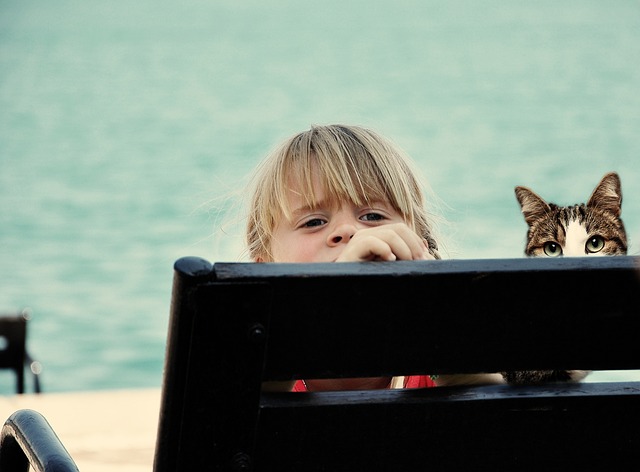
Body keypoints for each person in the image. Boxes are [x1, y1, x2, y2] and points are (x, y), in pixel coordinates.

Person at [244, 124, 502, 391]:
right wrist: (327, 302)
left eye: (373, 216)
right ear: (264, 269)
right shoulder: (267, 376)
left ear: (419, 246)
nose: (349, 231)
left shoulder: (442, 369)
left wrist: (429, 305)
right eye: (314, 222)